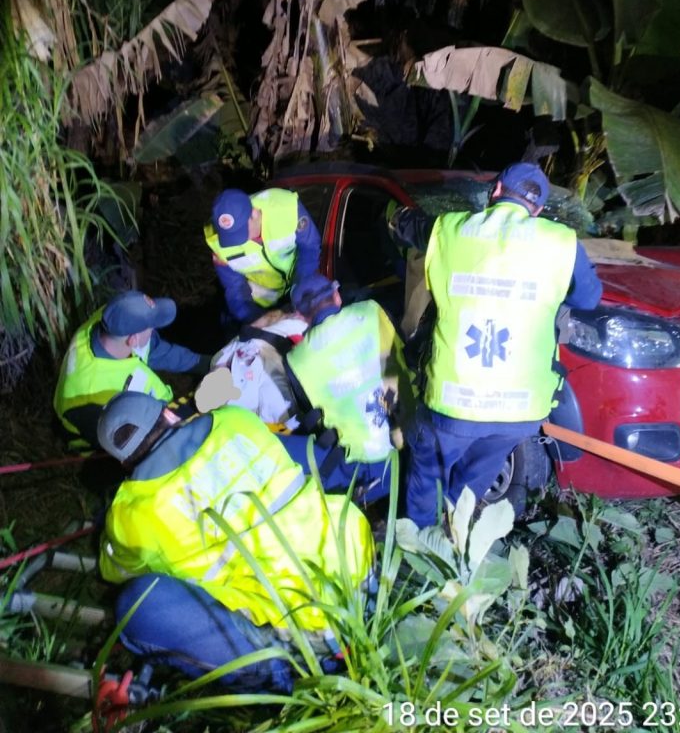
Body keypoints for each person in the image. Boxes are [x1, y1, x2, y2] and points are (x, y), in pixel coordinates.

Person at [97, 392, 375, 692]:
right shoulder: (235, 419)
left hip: (304, 641)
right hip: (361, 577)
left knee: (137, 604)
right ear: (169, 414)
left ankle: (282, 682)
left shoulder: (132, 512)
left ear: (124, 461)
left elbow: (114, 571)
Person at [389, 162, 603, 528]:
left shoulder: (452, 229)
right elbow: (588, 298)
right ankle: (454, 534)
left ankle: (419, 549)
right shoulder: (562, 243)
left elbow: (408, 226)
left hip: (453, 403)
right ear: (538, 209)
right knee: (469, 489)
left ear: (497, 191)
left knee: (427, 483)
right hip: (519, 411)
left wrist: (397, 217)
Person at [280, 275, 416, 504]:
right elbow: (403, 350)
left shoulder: (296, 360)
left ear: (301, 317)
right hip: (412, 442)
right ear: (337, 296)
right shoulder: (371, 311)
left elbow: (310, 410)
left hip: (365, 464)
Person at [54, 291, 209, 451]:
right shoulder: (92, 396)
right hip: (111, 444)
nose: (153, 330)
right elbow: (138, 443)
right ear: (133, 340)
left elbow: (156, 350)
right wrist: (195, 405)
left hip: (153, 409)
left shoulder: (112, 321)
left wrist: (206, 363)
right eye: (151, 327)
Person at [204, 187, 322, 326]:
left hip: (298, 287)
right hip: (261, 305)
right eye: (232, 237)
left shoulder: (285, 208)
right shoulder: (217, 243)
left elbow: (310, 249)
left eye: (242, 232)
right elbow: (234, 289)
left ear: (254, 214)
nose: (240, 241)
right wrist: (259, 319)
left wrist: (300, 289)